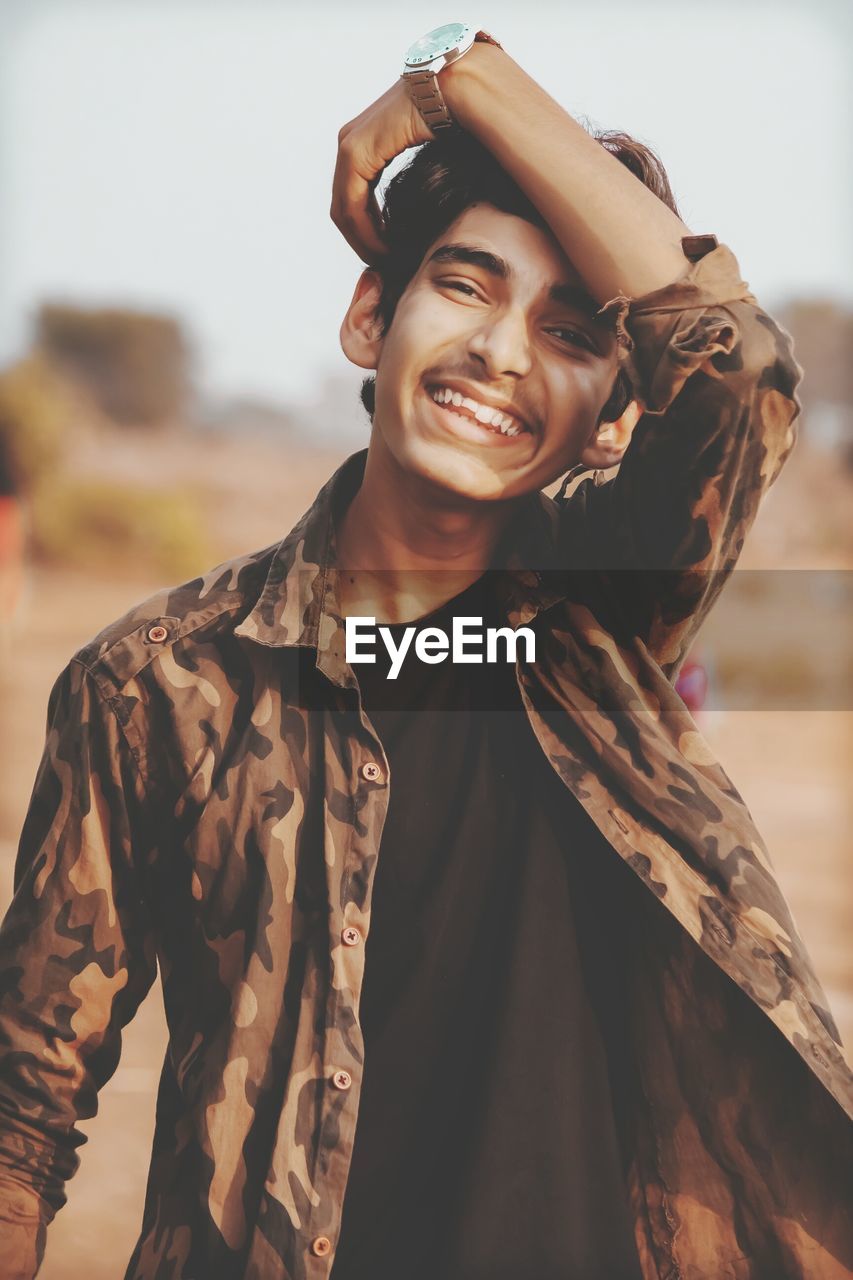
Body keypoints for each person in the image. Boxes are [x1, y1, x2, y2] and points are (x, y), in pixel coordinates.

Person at [1, 23, 851, 1280]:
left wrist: (457, 79)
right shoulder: (159, 686)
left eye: (570, 333)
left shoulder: (606, 615)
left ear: (615, 422)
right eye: (462, 284)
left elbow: (738, 374)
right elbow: (25, 1120)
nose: (500, 353)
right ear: (368, 315)